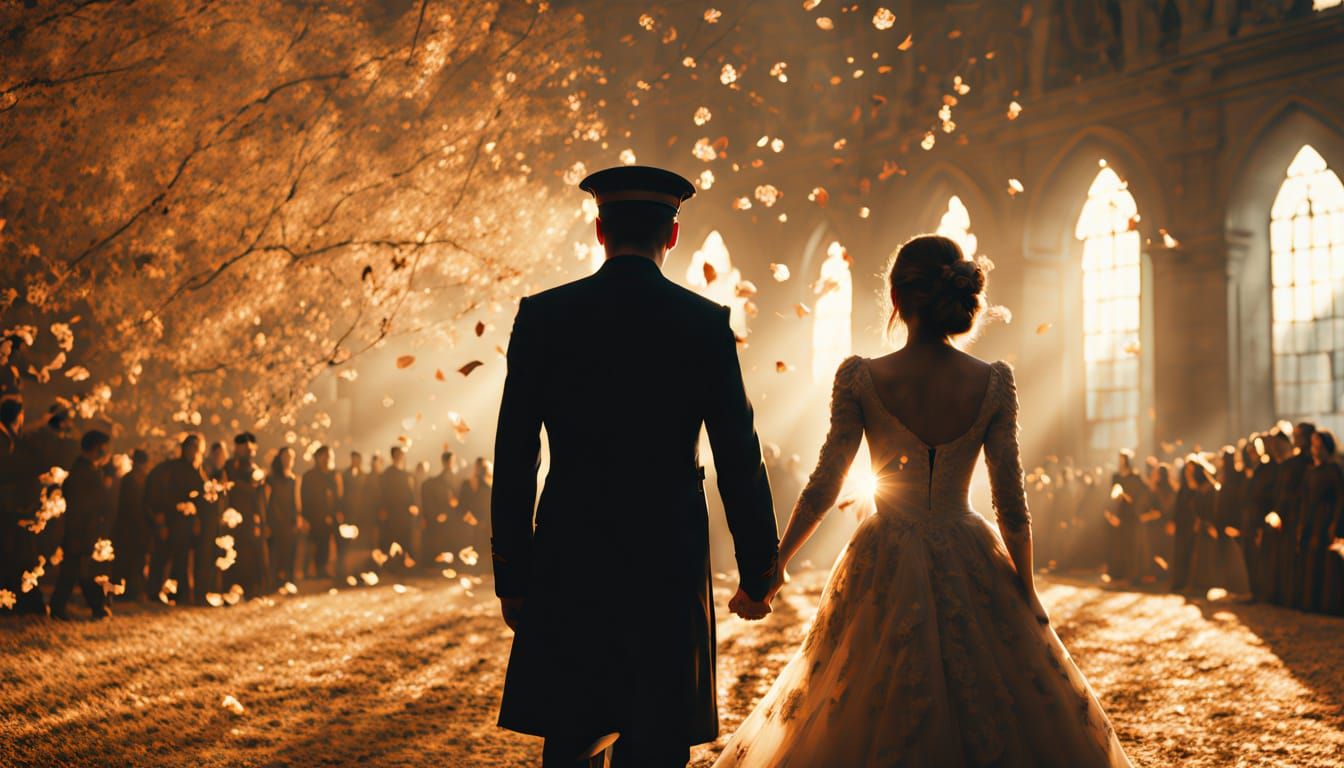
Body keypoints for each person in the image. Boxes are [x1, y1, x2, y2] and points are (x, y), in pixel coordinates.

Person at [712, 235, 1131, 767]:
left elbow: (826, 484)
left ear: (896, 298)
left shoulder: (861, 376)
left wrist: (777, 567)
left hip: (883, 552)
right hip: (969, 547)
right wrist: (1024, 594)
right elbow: (1011, 502)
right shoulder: (994, 381)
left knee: (859, 693)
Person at [492, 165, 779, 768]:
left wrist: (513, 575)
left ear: (600, 231)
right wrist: (758, 569)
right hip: (665, 551)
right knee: (656, 733)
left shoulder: (544, 317)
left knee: (571, 730)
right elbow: (738, 455)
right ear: (671, 236)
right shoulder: (704, 325)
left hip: (572, 543)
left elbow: (515, 456)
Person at [51, 430, 115, 620]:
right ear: (96, 448)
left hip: (84, 529)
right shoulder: (83, 473)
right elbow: (86, 505)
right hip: (80, 529)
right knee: (79, 570)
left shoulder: (88, 471)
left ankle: (87, 606)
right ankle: (92, 607)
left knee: (76, 570)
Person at [144, 433, 206, 604]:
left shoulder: (198, 471)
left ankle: (181, 594)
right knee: (162, 556)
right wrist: (161, 519)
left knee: (183, 559)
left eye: (196, 448)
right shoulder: (170, 469)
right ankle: (154, 591)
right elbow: (159, 494)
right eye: (190, 447)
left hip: (186, 525)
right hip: (170, 520)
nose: (193, 451)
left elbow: (200, 498)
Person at [1300, 430, 1342, 612]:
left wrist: (1335, 522)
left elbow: (1340, 498)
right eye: (1313, 445)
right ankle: (1312, 602)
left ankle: (1328, 604)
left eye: (1318, 445)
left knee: (1326, 563)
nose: (1315, 449)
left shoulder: (1334, 470)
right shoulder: (1310, 472)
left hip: (1326, 518)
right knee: (1311, 560)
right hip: (1312, 518)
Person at [225, 432, 269, 597]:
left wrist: (261, 520)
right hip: (231, 518)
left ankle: (251, 588)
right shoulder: (228, 467)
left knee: (250, 556)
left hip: (249, 518)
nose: (245, 450)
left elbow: (259, 498)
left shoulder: (255, 471)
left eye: (248, 448)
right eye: (242, 447)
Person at [111, 448, 151, 601]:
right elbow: (126, 505)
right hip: (128, 526)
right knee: (126, 559)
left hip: (138, 526)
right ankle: (124, 591)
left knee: (137, 559)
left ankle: (134, 590)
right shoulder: (129, 480)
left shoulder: (142, 480)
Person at [192, 441, 229, 602]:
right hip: (207, 521)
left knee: (217, 556)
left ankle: (215, 590)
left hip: (219, 523)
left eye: (221, 454)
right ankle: (201, 592)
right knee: (204, 557)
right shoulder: (205, 472)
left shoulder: (224, 473)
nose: (219, 457)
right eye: (216, 454)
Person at [301, 445, 343, 579]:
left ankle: (337, 569)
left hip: (333, 515)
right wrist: (307, 517)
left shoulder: (334, 475)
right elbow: (305, 498)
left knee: (338, 543)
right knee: (318, 543)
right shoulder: (309, 476)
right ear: (317, 458)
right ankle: (317, 570)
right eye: (323, 457)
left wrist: (337, 512)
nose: (326, 460)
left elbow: (339, 495)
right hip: (316, 517)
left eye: (329, 457)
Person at [378, 445, 416, 570]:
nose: (401, 457)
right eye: (399, 454)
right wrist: (383, 509)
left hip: (404, 514)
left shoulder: (406, 475)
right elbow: (383, 493)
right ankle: (390, 566)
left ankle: (404, 566)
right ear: (394, 456)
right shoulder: (387, 475)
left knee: (405, 539)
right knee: (391, 539)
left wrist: (413, 506)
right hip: (392, 513)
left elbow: (410, 493)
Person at [267, 446, 300, 586]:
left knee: (290, 550)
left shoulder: (293, 479)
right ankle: (275, 579)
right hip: (275, 520)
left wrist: (297, 516)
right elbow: (270, 500)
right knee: (276, 550)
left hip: (290, 519)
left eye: (291, 457)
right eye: (286, 457)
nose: (288, 460)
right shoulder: (271, 478)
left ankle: (288, 578)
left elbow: (295, 500)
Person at [420, 450, 457, 564]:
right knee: (441, 540)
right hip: (445, 515)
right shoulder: (445, 479)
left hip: (446, 515)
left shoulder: (448, 477)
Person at [459, 457, 492, 560]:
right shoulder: (467, 484)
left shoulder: (488, 486)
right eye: (480, 467)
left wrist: (483, 521)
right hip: (469, 522)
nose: (481, 470)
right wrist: (467, 515)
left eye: (483, 467)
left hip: (484, 522)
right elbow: (463, 502)